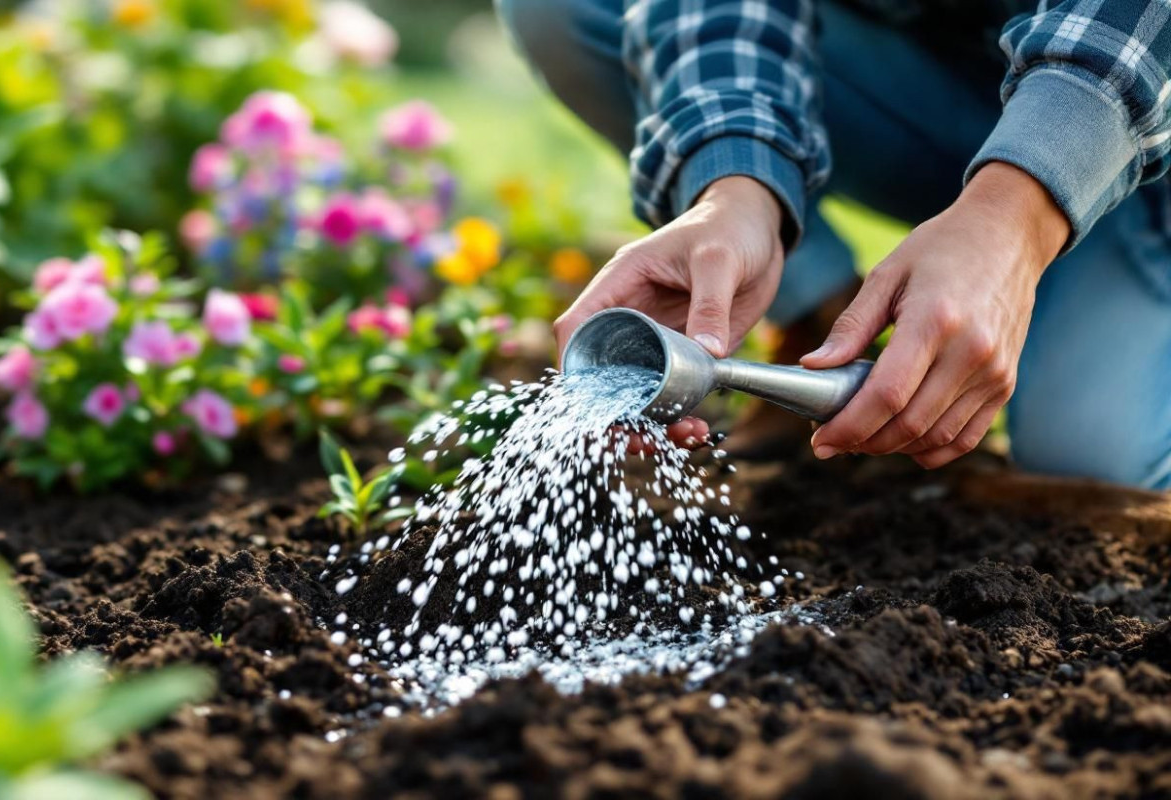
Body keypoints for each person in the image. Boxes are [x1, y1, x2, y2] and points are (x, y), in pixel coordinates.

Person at [496, 0, 1171, 490]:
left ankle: (1029, 270)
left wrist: (1014, 218)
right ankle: (816, 315)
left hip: (1139, 123)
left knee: (1096, 463)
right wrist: (736, 189)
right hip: (950, 85)